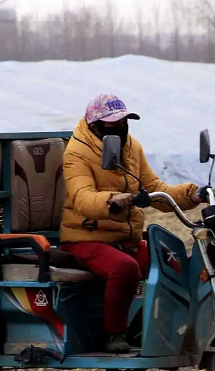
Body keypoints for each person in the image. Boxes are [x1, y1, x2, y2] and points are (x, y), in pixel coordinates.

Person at [60, 94, 203, 353]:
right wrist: (112, 201)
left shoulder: (131, 147)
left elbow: (155, 189)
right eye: (112, 126)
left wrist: (190, 194)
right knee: (124, 268)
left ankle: (175, 327)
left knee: (173, 262)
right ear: (95, 128)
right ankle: (114, 334)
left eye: (124, 123)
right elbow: (82, 198)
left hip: (124, 238)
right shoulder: (76, 153)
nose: (121, 130)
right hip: (86, 236)